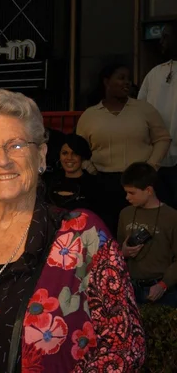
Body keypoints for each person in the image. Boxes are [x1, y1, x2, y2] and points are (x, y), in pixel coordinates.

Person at [0, 89, 145, 372]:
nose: (2, 160)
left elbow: (126, 349)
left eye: (16, 145)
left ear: (40, 155)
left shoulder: (83, 235)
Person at [77, 63, 171, 234]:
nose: (127, 83)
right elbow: (79, 149)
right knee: (107, 231)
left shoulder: (144, 109)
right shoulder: (90, 115)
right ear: (106, 82)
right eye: (121, 78)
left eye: (128, 79)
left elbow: (163, 138)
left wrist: (151, 166)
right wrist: (90, 169)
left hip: (140, 182)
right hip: (104, 183)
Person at [118, 162, 177, 308]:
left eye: (132, 193)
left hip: (161, 289)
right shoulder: (126, 214)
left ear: (149, 190)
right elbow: (115, 249)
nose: (127, 197)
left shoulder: (171, 216)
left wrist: (164, 284)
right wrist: (122, 252)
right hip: (130, 287)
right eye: (126, 192)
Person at [139, 22, 177, 207]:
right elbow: (141, 111)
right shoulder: (154, 74)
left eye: (166, 37)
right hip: (159, 159)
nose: (161, 42)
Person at [43, 133, 102, 214]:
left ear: (82, 157)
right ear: (59, 156)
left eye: (75, 153)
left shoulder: (95, 185)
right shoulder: (49, 183)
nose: (69, 157)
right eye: (65, 153)